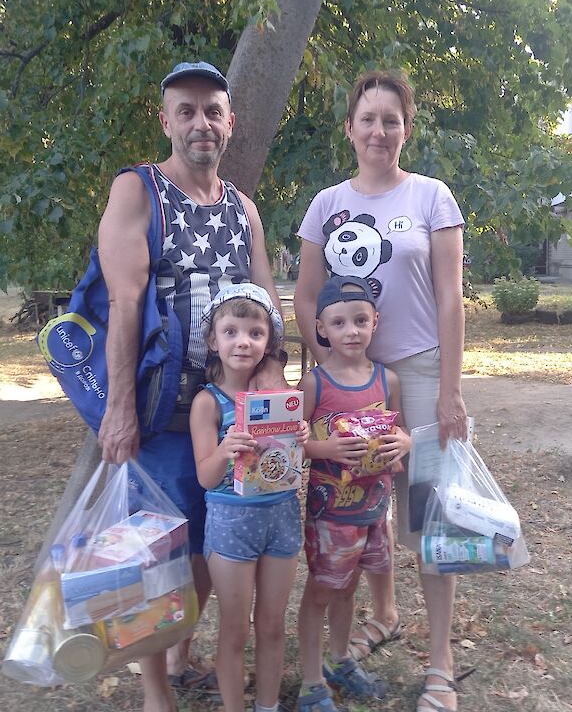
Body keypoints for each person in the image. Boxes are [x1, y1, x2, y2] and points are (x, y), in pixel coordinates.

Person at [97, 61, 285, 712]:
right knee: (155, 555)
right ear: (166, 121)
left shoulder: (243, 211)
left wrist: (274, 387)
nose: (200, 122)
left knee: (209, 543)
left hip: (228, 416)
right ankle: (156, 692)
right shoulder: (138, 191)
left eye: (212, 111)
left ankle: (178, 655)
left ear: (230, 123)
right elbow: (124, 303)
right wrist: (120, 408)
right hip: (159, 416)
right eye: (186, 110)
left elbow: (267, 305)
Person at [294, 70, 469, 712]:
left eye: (391, 120)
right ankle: (374, 622)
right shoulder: (325, 205)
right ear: (349, 128)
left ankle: (441, 663)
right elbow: (305, 298)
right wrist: (331, 373)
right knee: (355, 508)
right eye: (367, 118)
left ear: (406, 129)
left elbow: (450, 298)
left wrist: (450, 390)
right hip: (350, 383)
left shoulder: (432, 198)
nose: (378, 130)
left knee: (429, 520)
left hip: (419, 374)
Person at [189, 284, 310, 712]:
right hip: (231, 523)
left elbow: (291, 461)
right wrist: (225, 449)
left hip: (281, 516)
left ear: (268, 342)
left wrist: (299, 436)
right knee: (236, 629)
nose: (243, 342)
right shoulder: (207, 403)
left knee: (272, 625)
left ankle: (268, 704)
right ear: (213, 340)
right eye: (231, 332)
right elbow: (206, 478)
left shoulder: (280, 400)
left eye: (255, 333)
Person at [295, 275, 412, 712]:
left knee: (348, 590)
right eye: (339, 323)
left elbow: (401, 429)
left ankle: (340, 659)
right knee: (321, 592)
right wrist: (325, 448)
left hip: (375, 511)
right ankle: (311, 683)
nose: (351, 331)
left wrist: (405, 442)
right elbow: (290, 445)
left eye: (361, 321)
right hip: (331, 517)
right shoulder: (314, 385)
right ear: (321, 328)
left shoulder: (388, 380)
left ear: (374, 322)